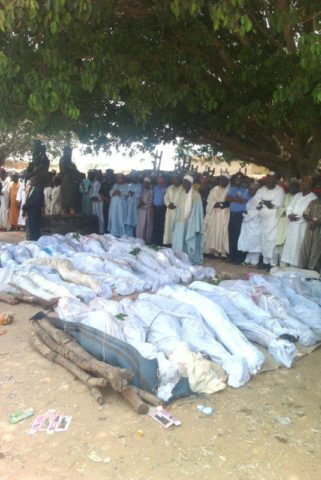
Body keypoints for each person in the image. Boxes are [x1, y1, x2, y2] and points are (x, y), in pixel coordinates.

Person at [281, 177, 317, 267]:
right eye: (301, 183)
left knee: (299, 248)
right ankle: (288, 266)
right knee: (289, 246)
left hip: (302, 227)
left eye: (304, 184)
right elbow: (289, 207)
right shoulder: (297, 195)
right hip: (292, 225)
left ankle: (297, 267)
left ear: (309, 185)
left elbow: (309, 212)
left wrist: (298, 217)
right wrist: (289, 214)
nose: (301, 185)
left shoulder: (313, 198)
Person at [254, 172, 285, 269]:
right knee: (264, 240)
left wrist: (263, 201)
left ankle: (273, 263)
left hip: (274, 220)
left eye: (271, 180)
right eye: (268, 180)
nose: (269, 182)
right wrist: (265, 202)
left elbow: (275, 205)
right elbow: (256, 202)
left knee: (272, 241)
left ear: (275, 180)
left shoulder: (280, 191)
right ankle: (265, 261)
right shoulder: (262, 189)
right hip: (263, 220)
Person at [172, 174, 204, 265]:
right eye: (183, 182)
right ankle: (179, 257)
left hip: (190, 222)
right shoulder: (182, 193)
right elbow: (179, 207)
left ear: (191, 183)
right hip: (180, 221)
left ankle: (188, 258)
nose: (184, 184)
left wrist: (192, 221)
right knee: (179, 240)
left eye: (186, 182)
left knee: (188, 240)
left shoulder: (196, 195)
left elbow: (197, 211)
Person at [204, 174, 230, 258]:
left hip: (224, 214)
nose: (222, 182)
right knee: (212, 231)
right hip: (214, 213)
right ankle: (211, 251)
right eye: (221, 180)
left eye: (224, 180)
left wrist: (222, 204)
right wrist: (215, 204)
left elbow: (230, 202)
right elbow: (209, 201)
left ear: (227, 181)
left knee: (222, 231)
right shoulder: (214, 189)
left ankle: (221, 251)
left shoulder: (229, 190)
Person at [226, 173, 250, 264]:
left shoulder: (246, 189)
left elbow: (242, 200)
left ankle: (238, 258)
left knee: (238, 237)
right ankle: (232, 257)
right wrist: (237, 199)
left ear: (243, 180)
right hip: (232, 214)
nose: (237, 181)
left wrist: (235, 198)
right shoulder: (233, 188)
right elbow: (227, 198)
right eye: (236, 179)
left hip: (240, 215)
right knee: (231, 237)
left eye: (239, 179)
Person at [276, 178, 300, 262]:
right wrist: (284, 211)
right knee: (280, 243)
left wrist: (287, 212)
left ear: (298, 188)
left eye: (294, 187)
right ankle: (281, 263)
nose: (292, 189)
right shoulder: (286, 195)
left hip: (292, 223)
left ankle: (289, 264)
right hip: (283, 223)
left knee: (290, 244)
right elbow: (280, 207)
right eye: (290, 187)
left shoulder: (299, 197)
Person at [238, 182, 261, 266]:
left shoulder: (260, 200)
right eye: (250, 189)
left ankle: (255, 260)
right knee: (249, 241)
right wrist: (246, 213)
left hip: (256, 222)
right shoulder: (251, 199)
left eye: (253, 189)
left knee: (255, 242)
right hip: (248, 223)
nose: (251, 191)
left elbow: (259, 210)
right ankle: (248, 259)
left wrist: (248, 214)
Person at [299, 195, 321, 272]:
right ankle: (304, 268)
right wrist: (312, 220)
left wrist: (317, 222)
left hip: (319, 231)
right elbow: (305, 213)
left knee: (317, 250)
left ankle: (313, 269)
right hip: (310, 229)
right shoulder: (313, 202)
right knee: (306, 247)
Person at [59, 146, 80, 216]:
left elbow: (74, 168)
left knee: (72, 195)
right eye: (69, 151)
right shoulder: (63, 159)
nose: (70, 153)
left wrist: (74, 169)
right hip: (66, 178)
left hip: (72, 179)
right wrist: (73, 169)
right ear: (65, 151)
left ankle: (71, 209)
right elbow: (65, 170)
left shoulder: (70, 160)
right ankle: (64, 210)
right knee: (66, 195)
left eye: (71, 152)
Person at [163, 174, 183, 245]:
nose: (175, 180)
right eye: (174, 179)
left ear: (180, 179)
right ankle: (169, 242)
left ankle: (176, 243)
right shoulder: (169, 188)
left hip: (178, 211)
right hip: (170, 210)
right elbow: (166, 198)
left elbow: (184, 200)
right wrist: (168, 204)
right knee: (169, 226)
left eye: (177, 178)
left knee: (177, 228)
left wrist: (176, 205)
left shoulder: (183, 188)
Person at [136, 177, 153, 243]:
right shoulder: (142, 190)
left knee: (145, 227)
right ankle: (139, 240)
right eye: (144, 183)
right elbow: (138, 199)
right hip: (140, 211)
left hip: (147, 212)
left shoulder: (151, 191)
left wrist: (144, 203)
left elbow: (151, 202)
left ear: (149, 184)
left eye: (147, 183)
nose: (145, 184)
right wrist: (139, 203)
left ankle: (145, 242)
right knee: (140, 227)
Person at [152, 175, 167, 245]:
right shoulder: (155, 187)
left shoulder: (166, 188)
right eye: (158, 179)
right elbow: (153, 197)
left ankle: (160, 241)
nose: (159, 180)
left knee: (161, 225)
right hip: (155, 208)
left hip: (162, 208)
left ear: (163, 180)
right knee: (155, 225)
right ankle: (155, 241)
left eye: (161, 179)